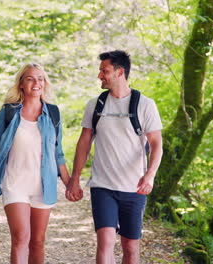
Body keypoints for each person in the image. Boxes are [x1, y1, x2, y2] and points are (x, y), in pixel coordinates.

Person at [66, 50, 163, 264]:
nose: (100, 75)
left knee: (130, 247)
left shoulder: (145, 105)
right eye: (100, 70)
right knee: (106, 241)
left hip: (134, 187)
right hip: (103, 185)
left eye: (104, 71)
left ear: (120, 72)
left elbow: (157, 144)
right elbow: (84, 143)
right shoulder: (96, 105)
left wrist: (150, 176)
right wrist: (75, 179)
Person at [0, 63, 70, 264]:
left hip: (44, 185)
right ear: (21, 84)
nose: (36, 83)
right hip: (15, 184)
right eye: (30, 78)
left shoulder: (53, 113)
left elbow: (58, 153)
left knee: (38, 241)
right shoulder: (8, 113)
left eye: (40, 78)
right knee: (21, 237)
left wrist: (70, 184)